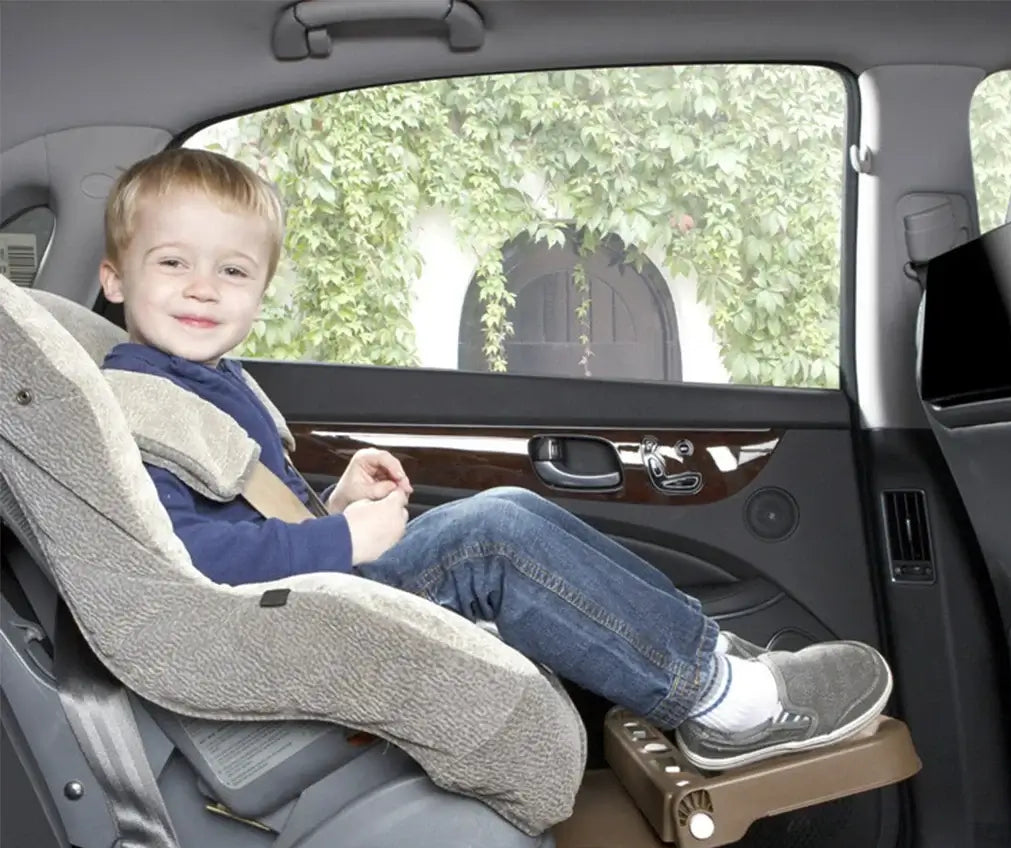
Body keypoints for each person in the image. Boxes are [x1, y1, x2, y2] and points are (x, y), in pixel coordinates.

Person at [98, 149, 892, 771]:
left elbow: (239, 510)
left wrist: (332, 505)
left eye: (233, 270)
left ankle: (707, 652)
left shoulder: (208, 380)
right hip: (273, 634)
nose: (203, 288)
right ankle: (727, 705)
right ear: (113, 279)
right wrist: (341, 541)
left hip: (296, 600)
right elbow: (191, 557)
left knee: (513, 509)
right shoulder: (137, 403)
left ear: (261, 290)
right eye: (172, 263)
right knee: (492, 540)